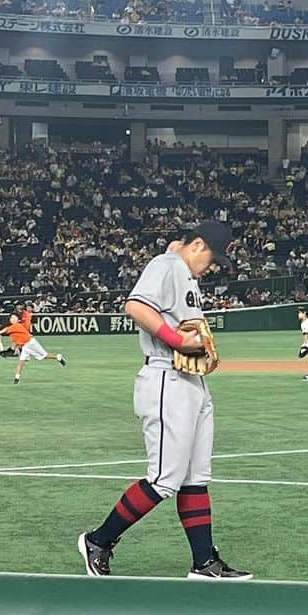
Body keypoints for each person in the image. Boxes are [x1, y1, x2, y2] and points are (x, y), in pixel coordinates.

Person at [77, 221, 251, 580]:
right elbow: (136, 307)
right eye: (212, 258)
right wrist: (176, 339)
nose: (213, 266)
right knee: (164, 479)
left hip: (191, 383)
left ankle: (204, 563)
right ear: (197, 244)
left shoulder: (185, 274)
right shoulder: (167, 264)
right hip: (165, 378)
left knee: (195, 478)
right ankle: (98, 540)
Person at [4, 312, 66, 384]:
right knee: (21, 362)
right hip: (25, 347)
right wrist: (12, 349)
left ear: (18, 320)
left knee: (44, 356)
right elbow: (15, 342)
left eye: (14, 318)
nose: (12, 319)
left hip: (31, 343)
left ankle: (58, 357)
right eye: (11, 318)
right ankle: (17, 379)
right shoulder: (12, 330)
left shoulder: (19, 326)